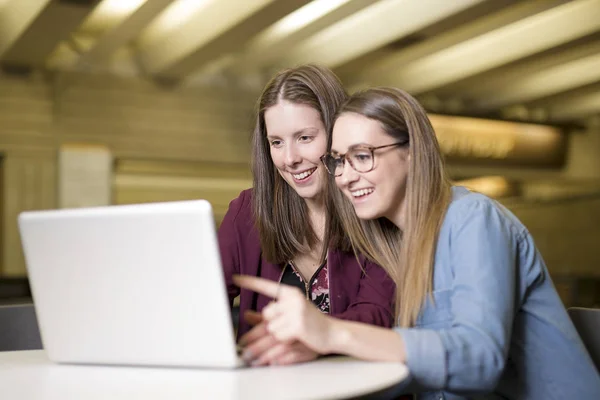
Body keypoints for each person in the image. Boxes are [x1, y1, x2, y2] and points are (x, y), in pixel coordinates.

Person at [235, 87, 600, 398]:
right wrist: (310, 360)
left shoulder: (473, 219)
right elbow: (413, 368)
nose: (345, 177)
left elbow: (478, 360)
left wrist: (332, 333)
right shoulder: (393, 245)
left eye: (362, 156)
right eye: (338, 161)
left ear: (410, 152)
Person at [218, 66, 395, 367]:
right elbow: (202, 298)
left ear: (339, 133)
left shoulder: (374, 205)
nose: (289, 159)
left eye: (304, 138)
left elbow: (377, 313)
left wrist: (316, 335)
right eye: (277, 142)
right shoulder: (247, 211)